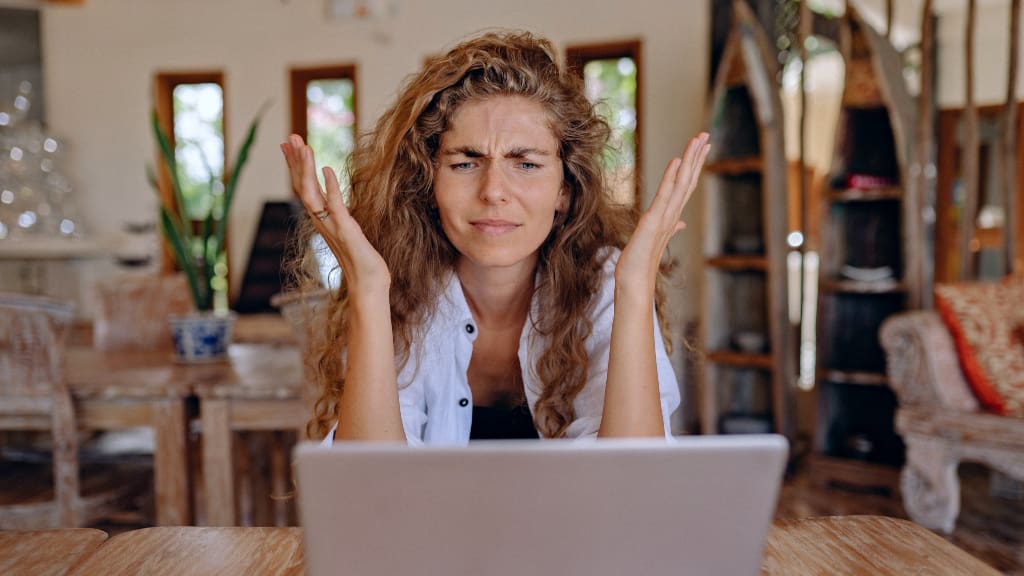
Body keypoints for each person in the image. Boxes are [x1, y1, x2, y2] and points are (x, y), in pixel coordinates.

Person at [281, 30, 709, 444]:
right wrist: (369, 290)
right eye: (466, 163)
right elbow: (369, 489)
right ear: (429, 183)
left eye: (525, 164)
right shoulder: (398, 288)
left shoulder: (603, 281)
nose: (494, 191)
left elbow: (632, 487)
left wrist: (634, 286)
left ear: (565, 188)